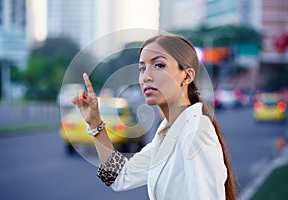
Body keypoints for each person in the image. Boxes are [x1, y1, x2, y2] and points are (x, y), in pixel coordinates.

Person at [72, 34, 237, 199]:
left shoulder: (195, 130)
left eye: (159, 65)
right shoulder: (167, 133)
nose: (146, 77)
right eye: (142, 68)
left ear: (186, 76)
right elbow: (119, 177)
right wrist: (95, 124)